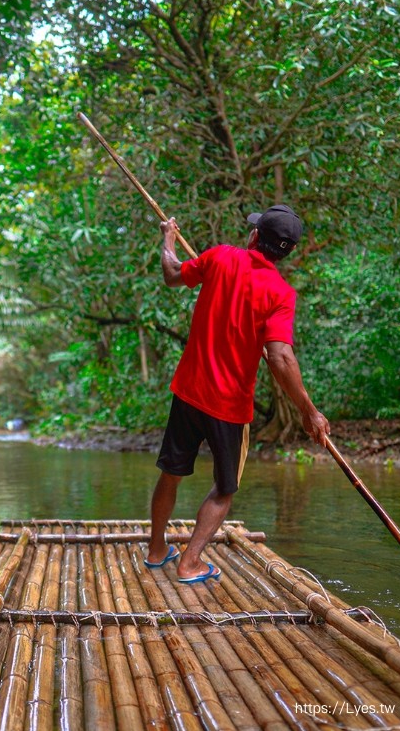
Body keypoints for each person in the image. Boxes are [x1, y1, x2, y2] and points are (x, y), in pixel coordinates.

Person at [144, 204, 330, 583]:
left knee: (171, 473)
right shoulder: (280, 293)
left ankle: (157, 549)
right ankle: (190, 562)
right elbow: (280, 357)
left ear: (254, 236)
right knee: (225, 489)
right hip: (229, 406)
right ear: (286, 252)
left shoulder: (220, 257)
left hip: (188, 392)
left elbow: (172, 275)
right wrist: (310, 411)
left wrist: (167, 238)